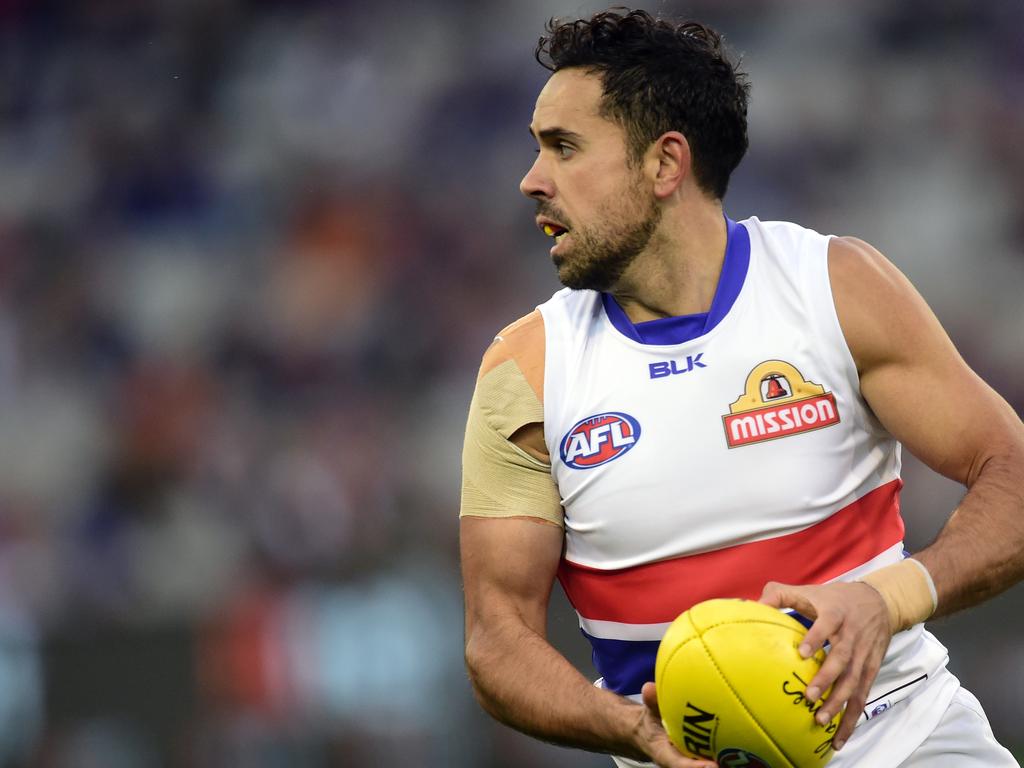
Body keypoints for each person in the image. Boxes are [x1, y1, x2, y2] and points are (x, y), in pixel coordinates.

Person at [459, 9, 1023, 767]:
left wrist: (887, 598)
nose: (532, 181)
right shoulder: (524, 371)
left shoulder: (832, 288)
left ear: (665, 165)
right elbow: (496, 640)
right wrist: (626, 728)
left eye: (565, 148)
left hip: (908, 736)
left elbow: (1012, 474)